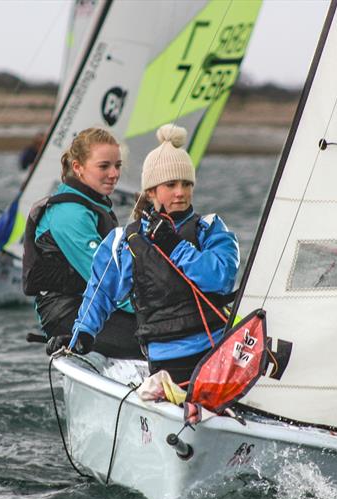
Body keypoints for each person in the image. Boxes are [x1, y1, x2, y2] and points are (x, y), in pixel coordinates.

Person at [47, 124, 239, 383]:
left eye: (186, 184)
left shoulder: (211, 229)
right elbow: (100, 293)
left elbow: (219, 278)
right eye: (170, 184)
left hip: (214, 354)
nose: (180, 192)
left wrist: (174, 246)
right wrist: (80, 335)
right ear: (151, 191)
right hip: (164, 360)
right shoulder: (125, 240)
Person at [23, 127, 142, 358]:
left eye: (117, 166)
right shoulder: (70, 215)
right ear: (77, 167)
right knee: (163, 337)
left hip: (94, 309)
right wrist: (154, 308)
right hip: (68, 316)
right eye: (104, 166)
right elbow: (105, 279)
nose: (114, 174)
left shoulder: (92, 206)